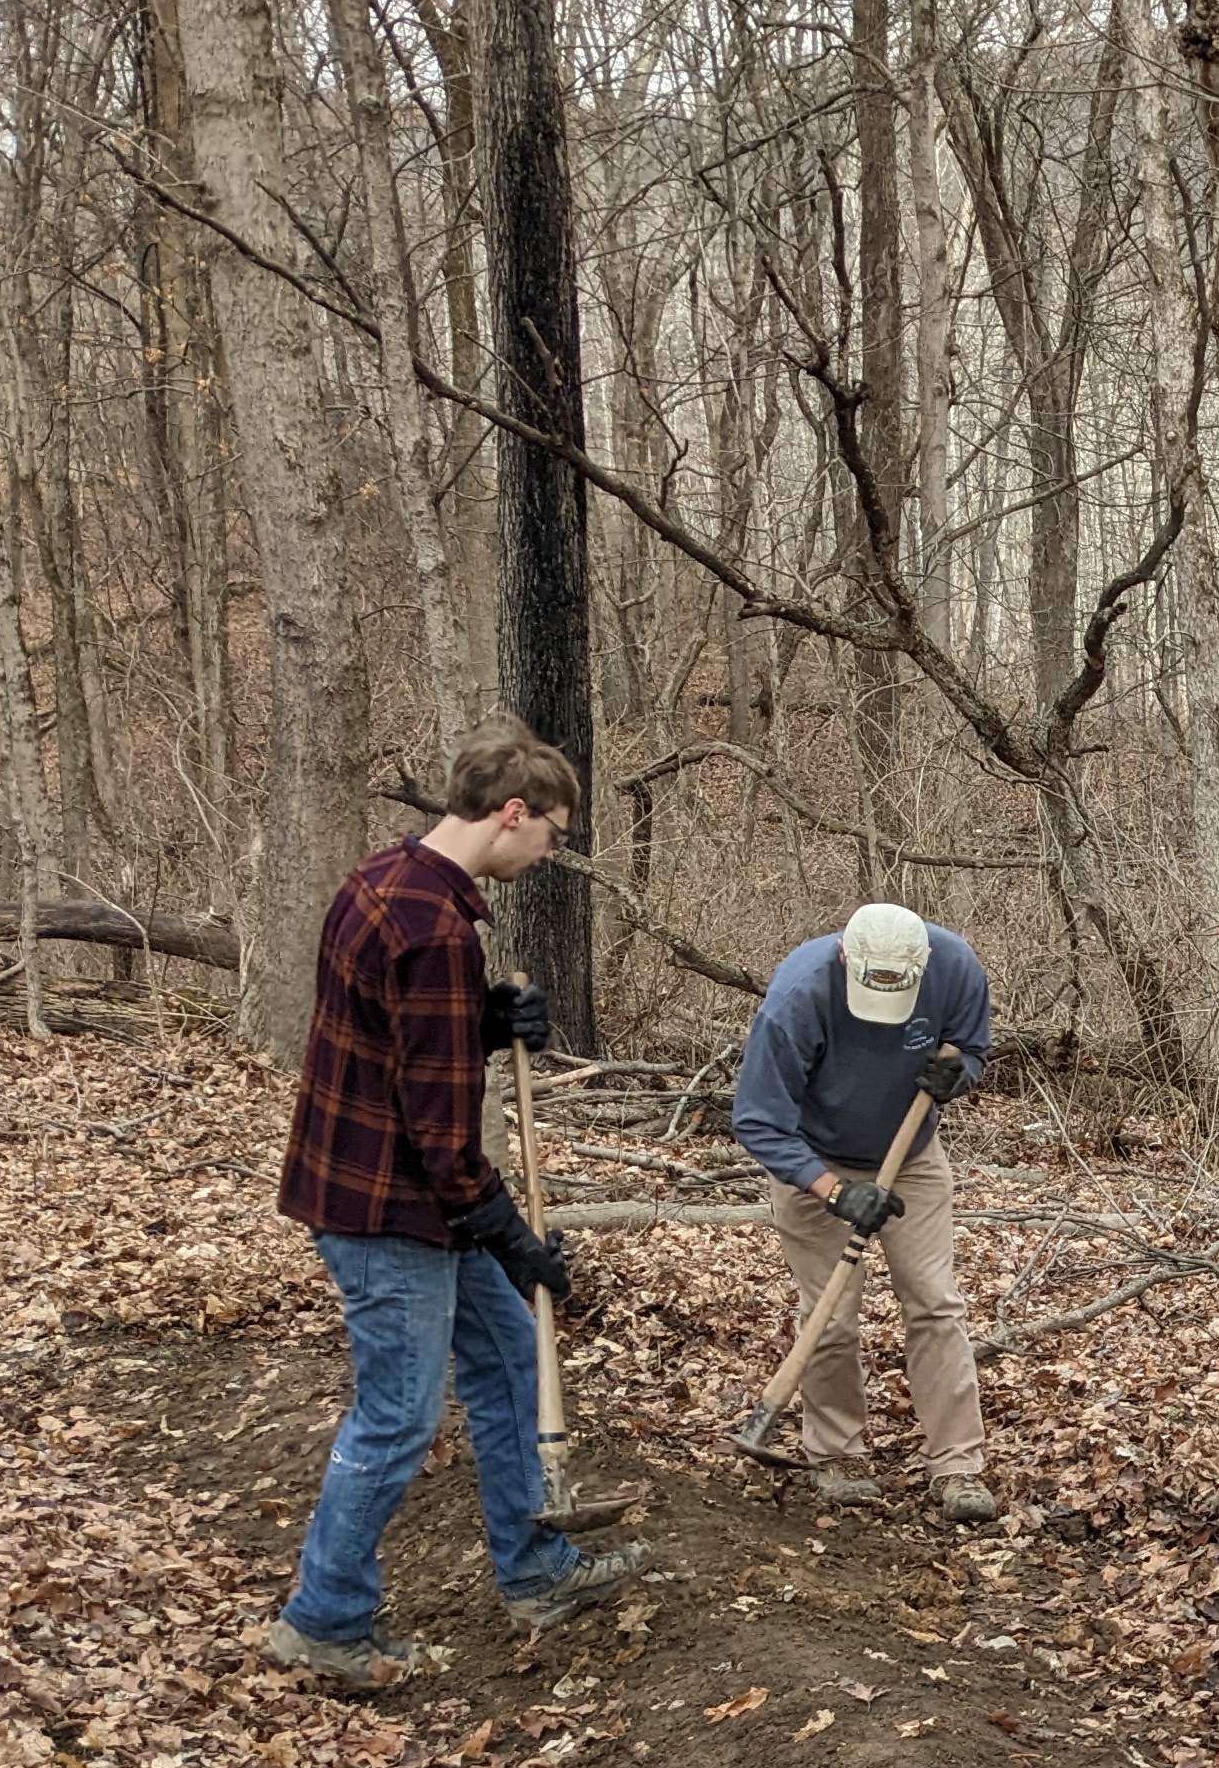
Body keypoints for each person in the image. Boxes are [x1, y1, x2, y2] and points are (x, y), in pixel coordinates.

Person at [264, 718, 646, 1685]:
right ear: (511, 813)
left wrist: (481, 1021)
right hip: (389, 1208)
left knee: (514, 1361)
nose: (551, 850)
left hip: (396, 1189)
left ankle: (536, 1568)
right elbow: (440, 1135)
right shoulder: (437, 929)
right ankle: (324, 1618)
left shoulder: (385, 878)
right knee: (396, 1415)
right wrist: (513, 1238)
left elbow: (403, 1040)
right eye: (551, 833)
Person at [734, 904, 1002, 1524]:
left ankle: (957, 1466)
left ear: (922, 965)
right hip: (814, 1155)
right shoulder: (800, 993)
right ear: (848, 959)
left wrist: (958, 1077)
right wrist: (833, 1190)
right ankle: (836, 1454)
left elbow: (975, 1051)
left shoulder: (956, 967)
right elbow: (757, 1119)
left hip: (909, 1152)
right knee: (830, 1314)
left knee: (936, 1302)